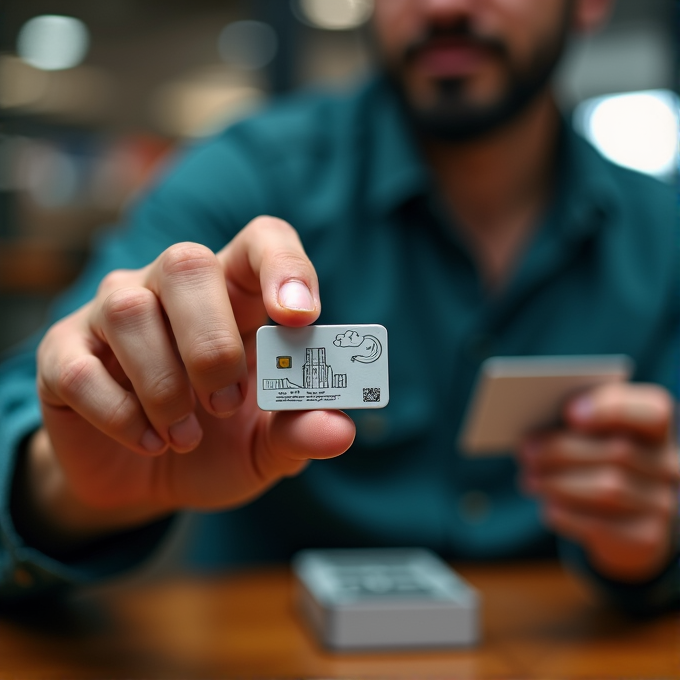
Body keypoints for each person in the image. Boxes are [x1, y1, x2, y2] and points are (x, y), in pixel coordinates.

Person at [0, 0, 678, 613]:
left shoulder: (664, 236)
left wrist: (660, 542)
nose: (441, 6)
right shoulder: (245, 174)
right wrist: (67, 486)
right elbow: (38, 397)